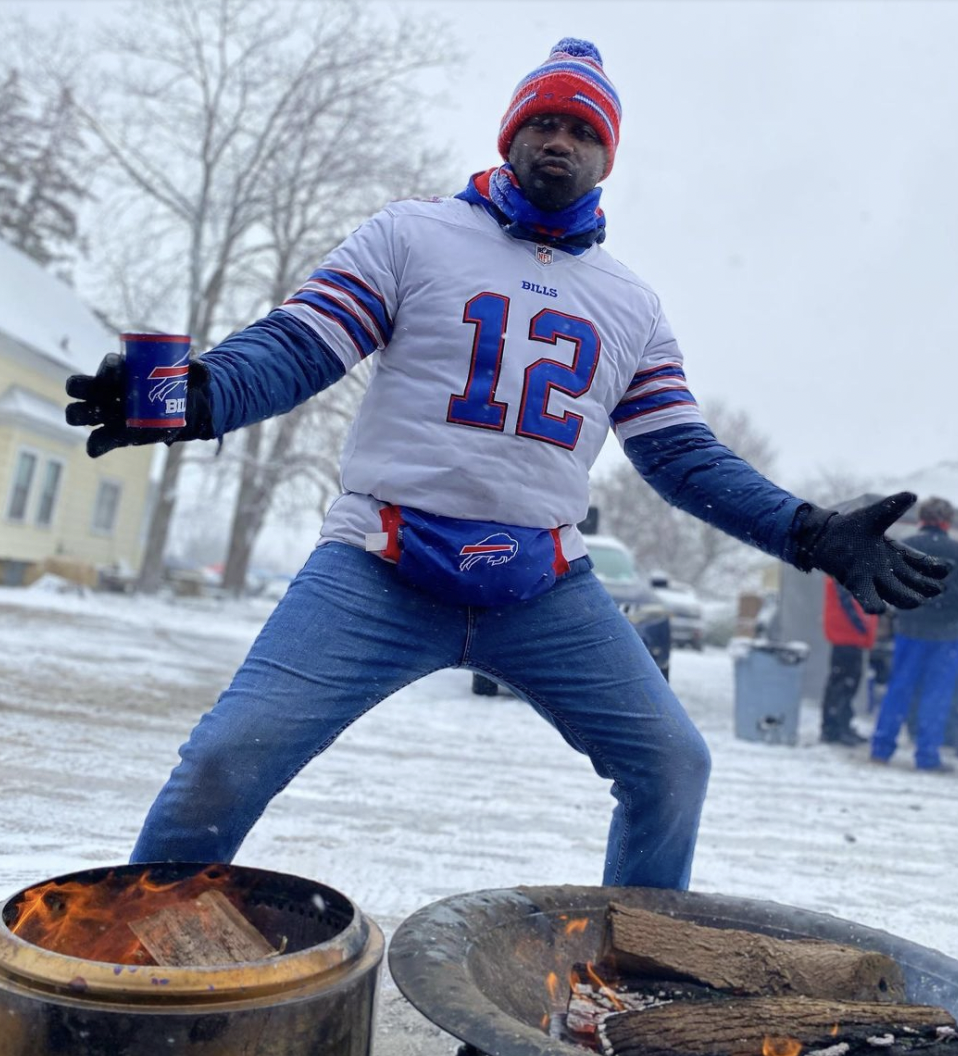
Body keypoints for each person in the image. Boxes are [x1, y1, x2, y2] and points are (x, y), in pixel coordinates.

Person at [65, 39, 949, 890]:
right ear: (511, 134)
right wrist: (195, 396)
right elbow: (300, 346)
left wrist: (810, 531)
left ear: (609, 157)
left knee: (674, 766)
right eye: (545, 122)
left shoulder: (632, 304)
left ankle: (629, 978)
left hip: (542, 586)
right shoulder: (413, 235)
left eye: (585, 130)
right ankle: (131, 966)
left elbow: (681, 455)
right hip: (381, 565)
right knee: (225, 757)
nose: (561, 140)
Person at [871, 496, 958, 772]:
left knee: (899, 688)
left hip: (909, 630)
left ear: (922, 519)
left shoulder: (905, 546)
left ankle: (881, 749)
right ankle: (927, 755)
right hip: (946, 636)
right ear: (947, 521)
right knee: (937, 695)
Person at [819, 576, 878, 746]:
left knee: (842, 683)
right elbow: (848, 602)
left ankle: (837, 725)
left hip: (847, 635)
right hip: (848, 635)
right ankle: (836, 728)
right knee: (844, 684)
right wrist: (863, 625)